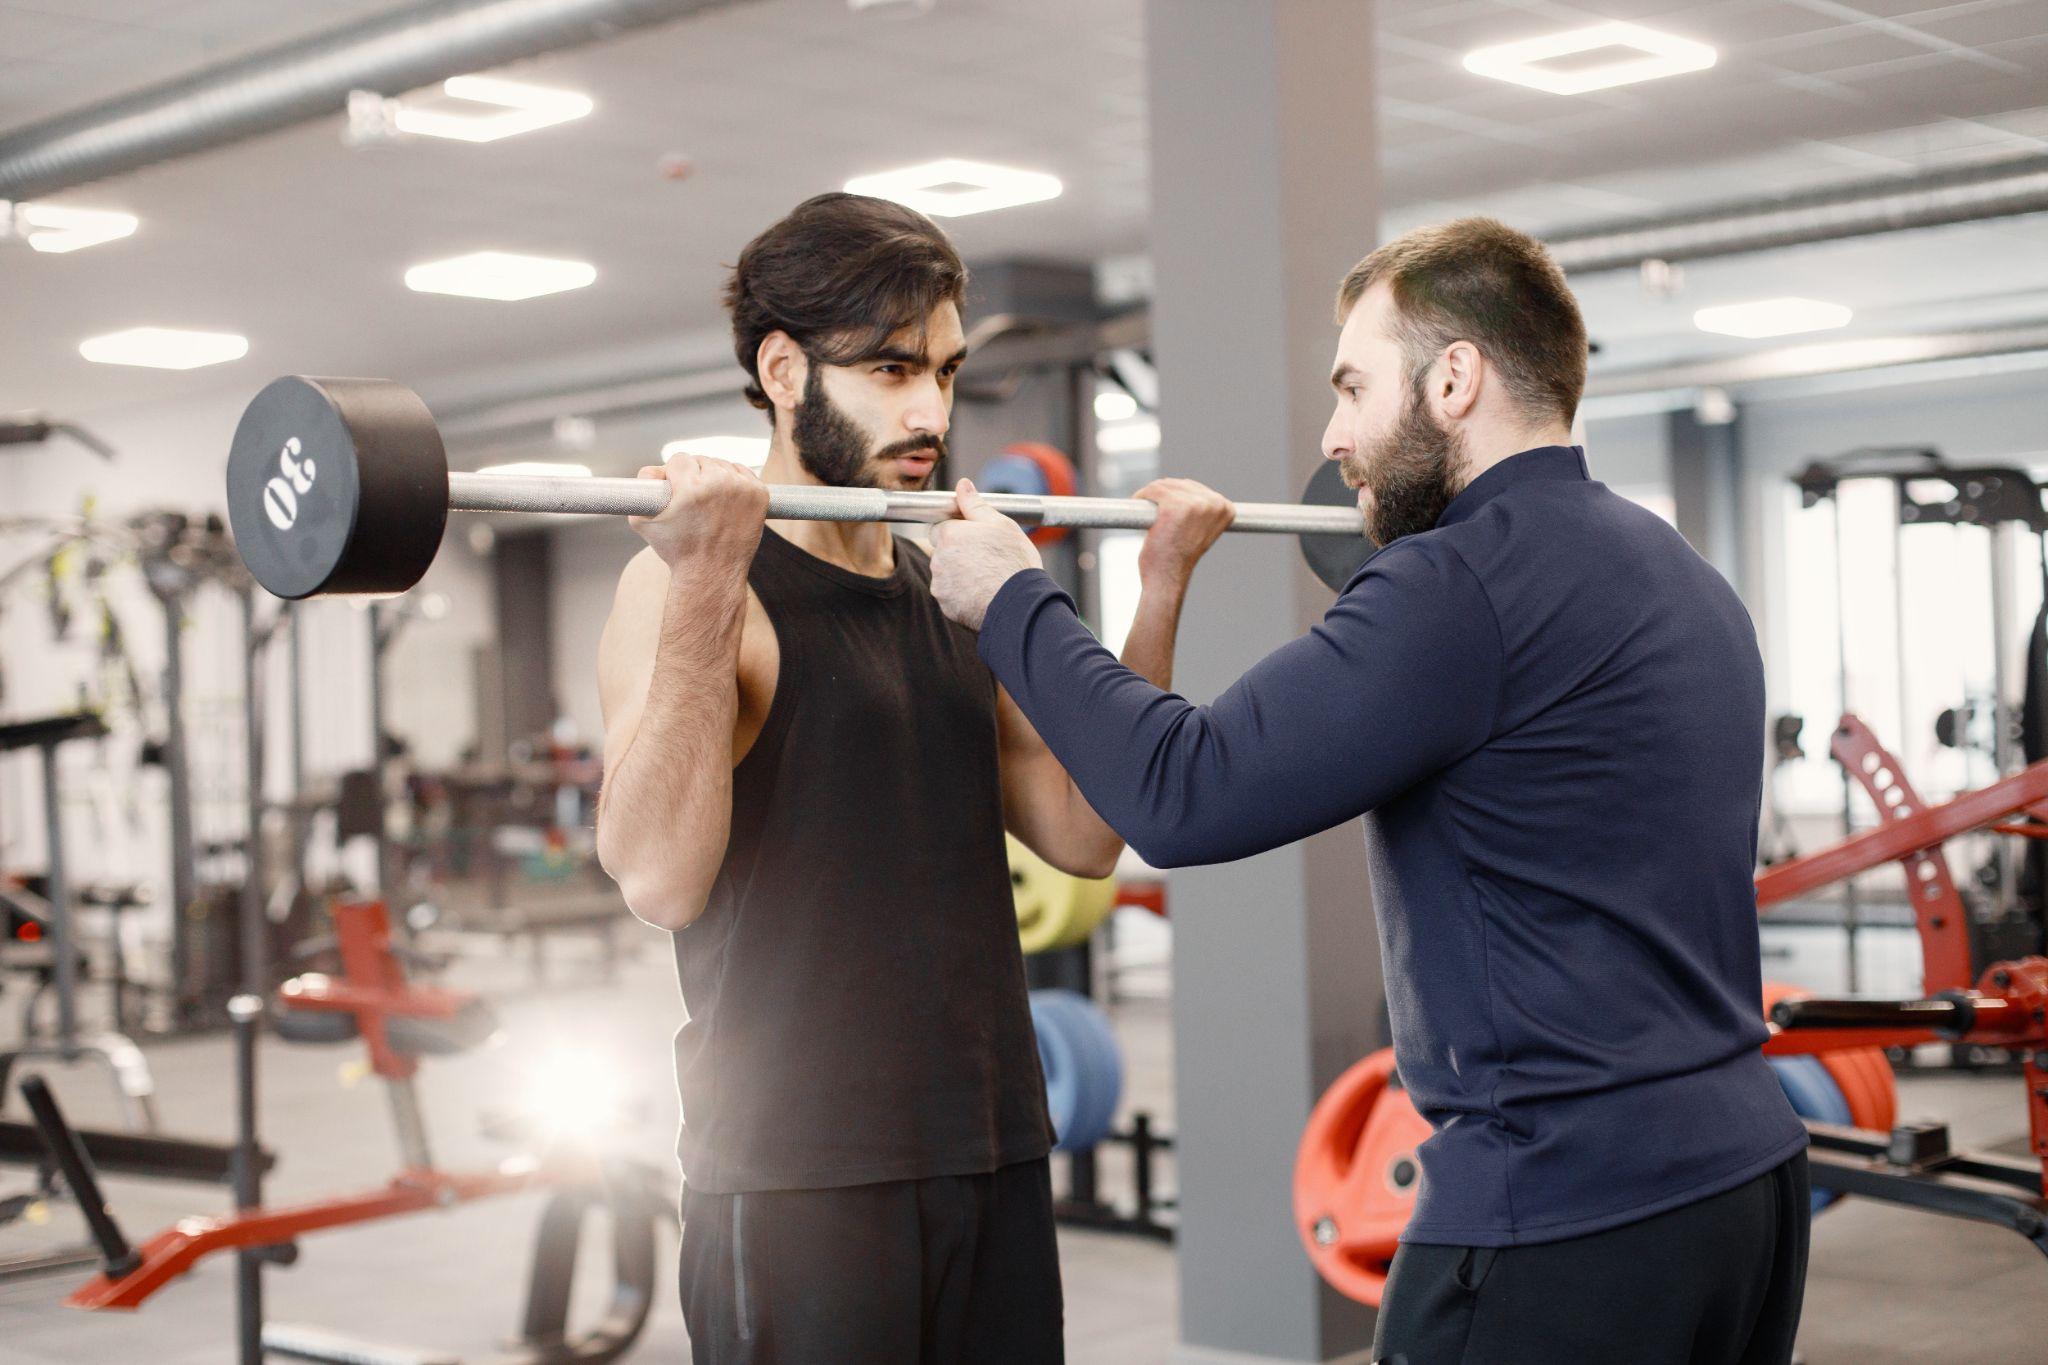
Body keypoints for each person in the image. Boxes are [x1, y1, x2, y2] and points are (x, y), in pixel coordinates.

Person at [926, 217, 1811, 1365]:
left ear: (1452, 379)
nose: (1334, 436)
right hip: (1742, 1186)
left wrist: (1012, 599)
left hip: (1562, 1215)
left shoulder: (1450, 589)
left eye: (1352, 387)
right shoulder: (1677, 572)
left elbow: (1180, 793)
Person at [593, 191, 1232, 1363]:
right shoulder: (694, 587)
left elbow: (1089, 832)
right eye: (889, 370)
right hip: (797, 1176)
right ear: (783, 370)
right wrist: (700, 584)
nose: (929, 408)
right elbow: (654, 877)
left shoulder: (951, 584)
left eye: (943, 371)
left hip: (987, 1147)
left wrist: (1162, 587)